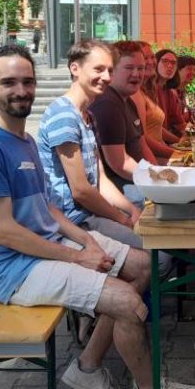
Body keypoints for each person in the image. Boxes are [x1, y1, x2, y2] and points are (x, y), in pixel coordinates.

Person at [0, 44, 195, 389]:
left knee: (147, 265)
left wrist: (88, 241)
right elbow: (6, 234)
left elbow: (48, 208)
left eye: (27, 82)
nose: (21, 91)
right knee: (129, 302)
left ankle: (86, 369)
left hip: (49, 244)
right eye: (9, 82)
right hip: (13, 269)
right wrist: (79, 256)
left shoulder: (24, 140)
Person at [37, 40, 171, 277]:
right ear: (75, 68)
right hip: (75, 221)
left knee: (162, 248)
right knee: (158, 259)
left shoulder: (88, 115)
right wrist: (122, 218)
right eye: (98, 69)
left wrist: (130, 210)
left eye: (109, 70)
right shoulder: (64, 117)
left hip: (92, 213)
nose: (106, 77)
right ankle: (117, 308)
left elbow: (100, 177)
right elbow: (81, 190)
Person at [89, 41, 156, 193]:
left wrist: (159, 172)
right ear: (112, 71)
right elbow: (119, 164)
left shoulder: (128, 101)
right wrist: (156, 180)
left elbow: (142, 146)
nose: (137, 74)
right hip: (122, 188)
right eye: (129, 68)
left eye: (141, 68)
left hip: (140, 180)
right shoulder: (107, 103)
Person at [132, 41, 176, 162]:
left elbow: (155, 127)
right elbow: (143, 138)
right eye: (145, 58)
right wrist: (177, 153)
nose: (151, 62)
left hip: (162, 153)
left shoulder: (146, 90)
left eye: (152, 57)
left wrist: (179, 143)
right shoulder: (135, 94)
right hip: (153, 159)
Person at [155, 48, 186, 138]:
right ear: (155, 63)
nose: (169, 66)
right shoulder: (149, 90)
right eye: (165, 61)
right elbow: (154, 129)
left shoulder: (170, 92)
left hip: (166, 143)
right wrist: (178, 142)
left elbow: (179, 123)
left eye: (173, 63)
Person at [175, 55, 195, 122]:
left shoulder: (183, 90)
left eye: (194, 69)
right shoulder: (172, 91)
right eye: (189, 69)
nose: (193, 72)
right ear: (177, 70)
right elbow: (177, 120)